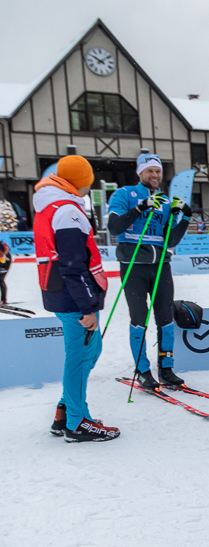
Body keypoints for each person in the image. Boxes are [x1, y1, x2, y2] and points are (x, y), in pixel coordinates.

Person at [33, 156, 119, 442]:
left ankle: (66, 411)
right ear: (83, 180)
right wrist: (86, 307)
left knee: (89, 352)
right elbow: (73, 264)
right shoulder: (67, 210)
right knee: (80, 357)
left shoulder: (53, 204)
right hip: (72, 297)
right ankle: (77, 421)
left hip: (61, 292)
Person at [107, 153, 191, 389]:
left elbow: (170, 240)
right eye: (150, 171)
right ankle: (142, 370)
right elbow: (114, 227)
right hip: (134, 267)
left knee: (165, 318)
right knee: (139, 318)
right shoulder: (124, 194)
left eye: (158, 171)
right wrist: (140, 207)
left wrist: (186, 216)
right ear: (140, 173)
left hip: (161, 267)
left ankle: (166, 368)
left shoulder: (165, 201)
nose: (154, 175)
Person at [0, 239, 10, 305]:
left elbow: (2, 257)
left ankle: (3, 300)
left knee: (1, 280)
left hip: (5, 261)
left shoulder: (3, 249)